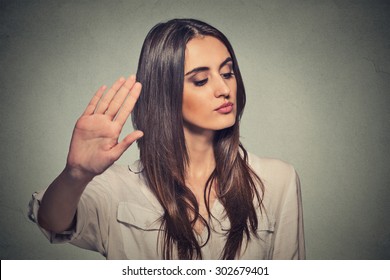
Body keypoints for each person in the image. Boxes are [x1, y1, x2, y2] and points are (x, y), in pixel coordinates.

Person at [28, 18, 305, 260]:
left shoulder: (278, 180)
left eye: (227, 73)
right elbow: (52, 222)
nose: (224, 89)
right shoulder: (116, 188)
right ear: (165, 93)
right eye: (200, 80)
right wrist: (75, 174)